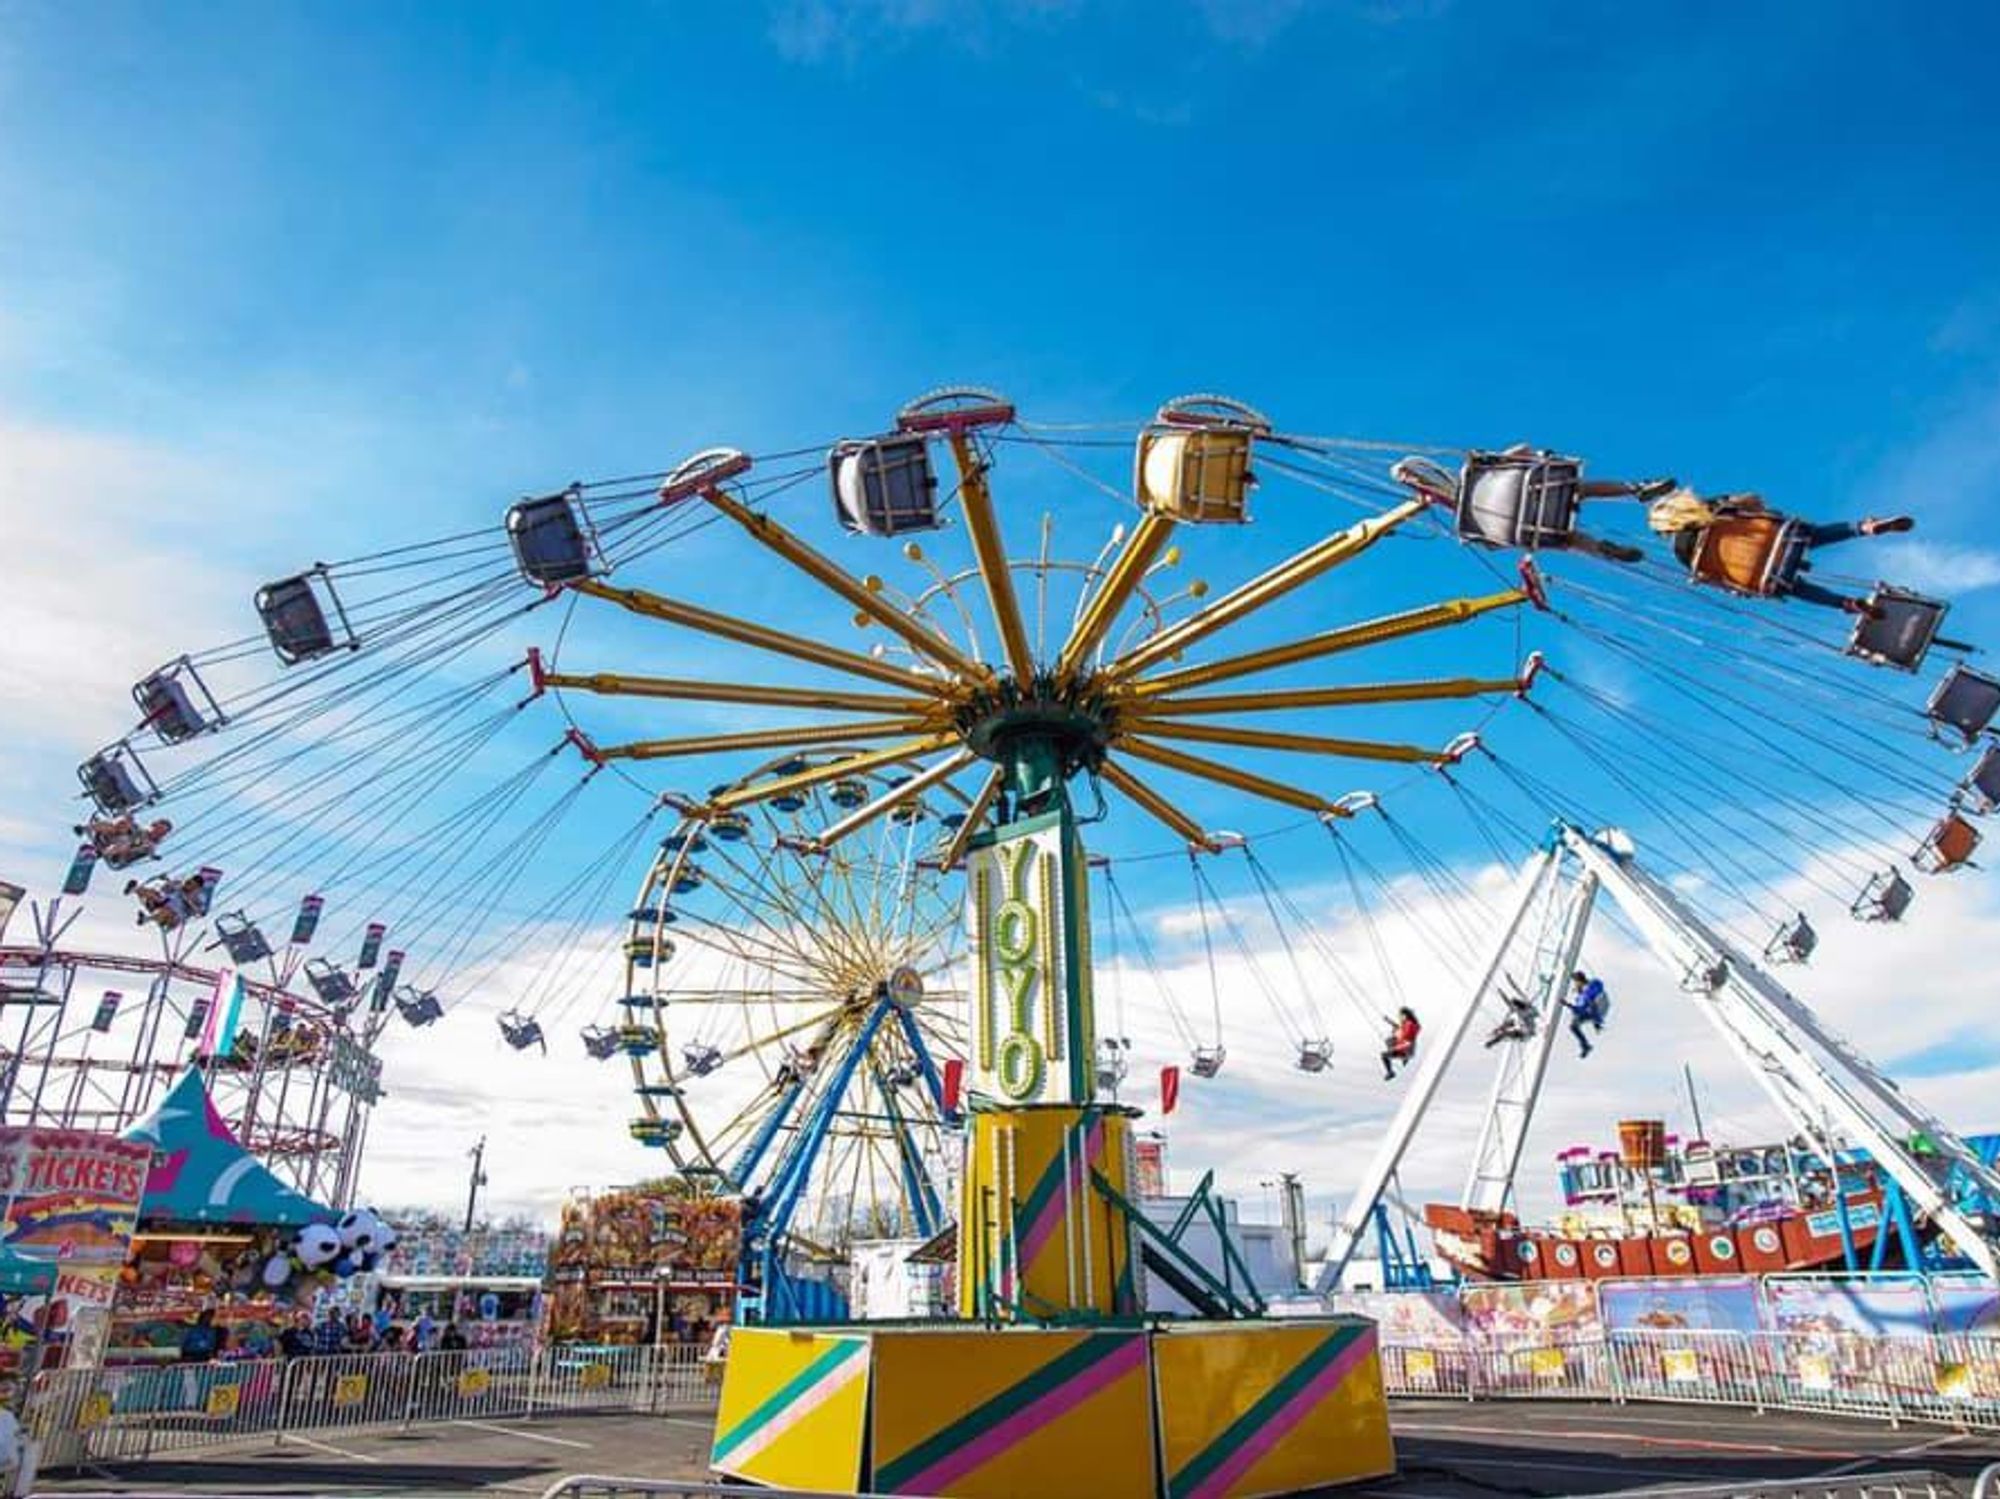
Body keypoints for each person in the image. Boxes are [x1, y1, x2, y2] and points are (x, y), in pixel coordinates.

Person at [1649, 489, 1914, 615]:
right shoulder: (1711, 509)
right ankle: (1865, 527)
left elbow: (1716, 582)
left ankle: (1846, 604)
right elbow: (1754, 501)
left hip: (1766, 577)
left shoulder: (1683, 558)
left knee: (1794, 589)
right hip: (1782, 540)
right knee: (1811, 536)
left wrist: (1744, 591)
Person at [1564, 971, 1611, 1058]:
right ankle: (1586, 1045)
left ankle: (1596, 1024)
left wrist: (1567, 1004)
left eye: (1576, 983)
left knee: (1586, 1007)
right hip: (1598, 1009)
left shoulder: (1588, 991)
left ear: (1580, 981)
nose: (1575, 985)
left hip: (1599, 1009)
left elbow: (1581, 1008)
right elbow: (1579, 1009)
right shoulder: (1585, 992)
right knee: (1573, 1024)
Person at [1380, 1006, 1421, 1079]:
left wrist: (1395, 1048)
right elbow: (1398, 1027)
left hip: (1405, 1050)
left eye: (1400, 1015)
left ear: (1405, 1015)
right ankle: (1402, 1061)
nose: (1399, 1017)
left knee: (1384, 1054)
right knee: (1389, 1041)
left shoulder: (1409, 1025)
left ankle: (1390, 1072)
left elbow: (1408, 1043)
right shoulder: (1407, 1023)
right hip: (1404, 1049)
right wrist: (1388, 1020)